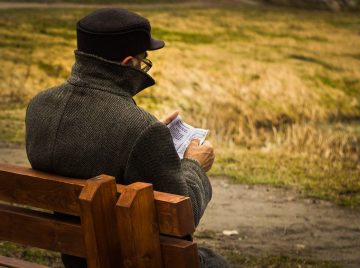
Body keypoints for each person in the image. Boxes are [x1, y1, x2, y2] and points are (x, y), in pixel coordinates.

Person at [25, 8, 229, 268]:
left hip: (76, 255)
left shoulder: (38, 107)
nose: (145, 67)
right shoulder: (140, 131)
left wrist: (151, 137)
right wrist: (194, 165)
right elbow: (182, 217)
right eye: (144, 61)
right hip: (130, 259)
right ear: (128, 63)